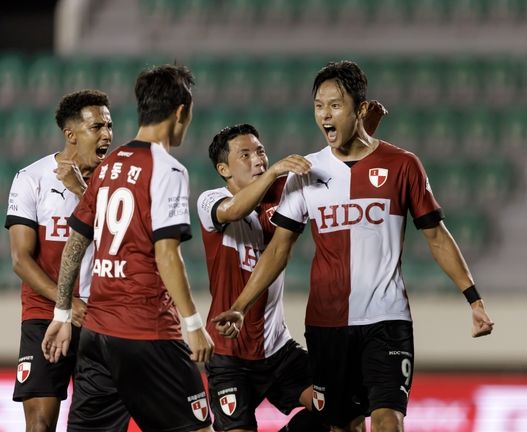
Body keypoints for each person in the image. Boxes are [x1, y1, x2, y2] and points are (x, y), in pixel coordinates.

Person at [215, 60, 495, 432]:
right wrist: (239, 307)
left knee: (387, 421)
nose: (325, 115)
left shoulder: (403, 165)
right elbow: (279, 250)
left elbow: (436, 235)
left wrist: (473, 299)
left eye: (335, 105)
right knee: (342, 426)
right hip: (326, 324)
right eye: (318, 106)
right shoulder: (307, 172)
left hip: (387, 319)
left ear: (360, 110)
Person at [41, 64, 215, 432]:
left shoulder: (108, 167)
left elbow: (76, 241)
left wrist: (60, 314)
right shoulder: (168, 169)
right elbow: (167, 254)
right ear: (181, 111)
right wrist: (193, 323)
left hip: (97, 334)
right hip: (147, 331)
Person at [197, 123, 324, 432]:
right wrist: (273, 172)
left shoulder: (283, 195)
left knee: (341, 412)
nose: (258, 159)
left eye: (261, 151)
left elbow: (333, 174)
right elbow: (233, 211)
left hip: (278, 349)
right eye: (245, 154)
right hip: (229, 355)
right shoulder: (210, 200)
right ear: (224, 168)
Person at [5, 89, 112, 432]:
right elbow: (21, 260)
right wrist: (66, 303)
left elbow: (125, 241)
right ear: (71, 134)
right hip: (44, 313)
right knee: (39, 423)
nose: (107, 134)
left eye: (109, 126)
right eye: (97, 127)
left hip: (103, 317)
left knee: (95, 424)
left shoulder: (115, 182)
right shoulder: (31, 179)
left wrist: (83, 190)